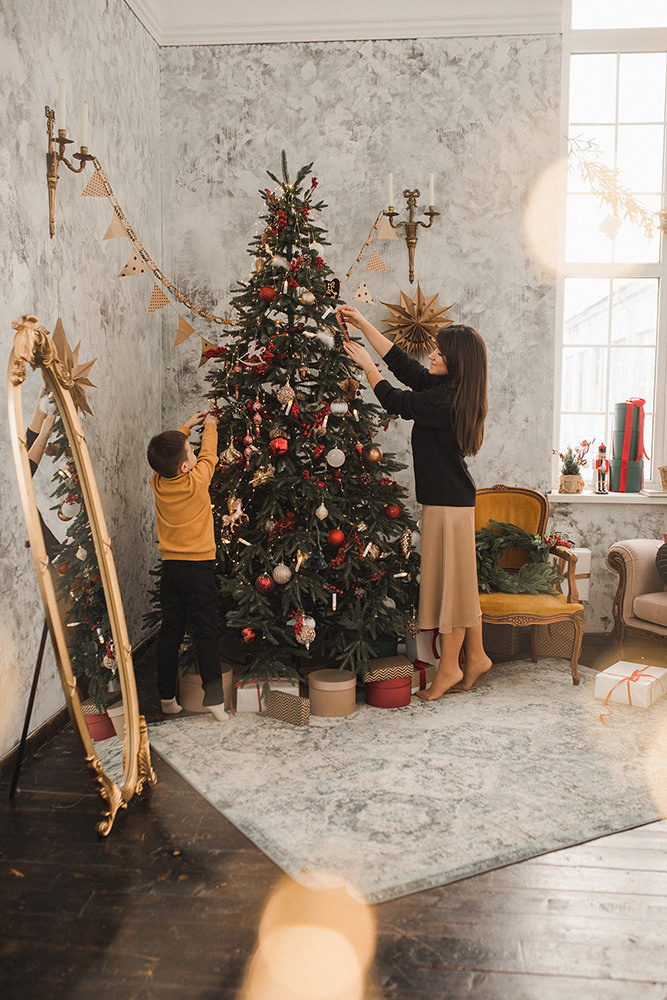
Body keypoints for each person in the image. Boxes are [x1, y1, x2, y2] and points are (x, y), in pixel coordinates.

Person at [339, 305, 492, 700]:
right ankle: (475, 657)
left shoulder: (446, 401)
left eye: (440, 352)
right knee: (461, 584)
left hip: (449, 506)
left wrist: (365, 365)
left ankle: (450, 668)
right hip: (448, 502)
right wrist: (363, 324)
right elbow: (405, 367)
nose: (433, 355)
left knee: (452, 591)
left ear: (457, 362)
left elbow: (397, 401)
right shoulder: (445, 389)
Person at [147, 410, 227, 721]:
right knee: (206, 633)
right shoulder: (197, 480)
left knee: (170, 632)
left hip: (171, 571)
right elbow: (210, 452)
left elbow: (169, 457)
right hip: (199, 570)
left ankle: (167, 697)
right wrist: (209, 423)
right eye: (189, 452)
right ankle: (215, 701)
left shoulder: (158, 481)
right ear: (184, 466)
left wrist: (184, 428)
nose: (195, 454)